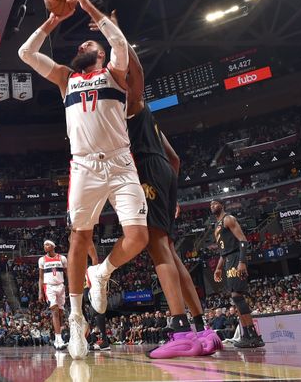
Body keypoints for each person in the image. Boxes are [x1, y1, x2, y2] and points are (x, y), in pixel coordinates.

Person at [18, 0, 148, 359]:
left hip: (122, 164)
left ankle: (103, 271)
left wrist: (90, 7)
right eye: (81, 45)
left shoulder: (116, 75)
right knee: (78, 238)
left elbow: (121, 43)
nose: (81, 47)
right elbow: (26, 52)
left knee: (137, 238)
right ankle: (76, 321)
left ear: (101, 55)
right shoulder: (65, 78)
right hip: (85, 167)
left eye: (87, 45)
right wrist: (53, 21)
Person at [122, 28, 220, 358]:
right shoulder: (149, 114)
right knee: (171, 252)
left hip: (147, 172)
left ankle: (180, 332)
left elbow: (136, 70)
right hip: (164, 174)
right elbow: (175, 159)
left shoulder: (129, 106)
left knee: (156, 248)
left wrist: (118, 36)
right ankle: (203, 328)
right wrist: (171, 197)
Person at [211, 199, 264, 348]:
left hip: (236, 258)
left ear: (222, 205)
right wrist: (218, 268)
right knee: (236, 298)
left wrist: (242, 262)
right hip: (228, 259)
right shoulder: (217, 225)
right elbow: (223, 252)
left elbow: (243, 240)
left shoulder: (228, 219)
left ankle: (253, 335)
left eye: (215, 203)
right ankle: (246, 334)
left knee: (237, 296)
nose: (212, 206)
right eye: (210, 204)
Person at [38, 240, 68, 350]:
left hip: (61, 286)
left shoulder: (62, 258)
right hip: (49, 286)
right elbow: (41, 277)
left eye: (47, 244)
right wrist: (40, 292)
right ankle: (58, 339)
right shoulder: (42, 260)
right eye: (44, 244)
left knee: (60, 313)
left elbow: (67, 273)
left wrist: (70, 286)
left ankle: (57, 338)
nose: (45, 246)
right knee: (54, 311)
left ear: (53, 246)